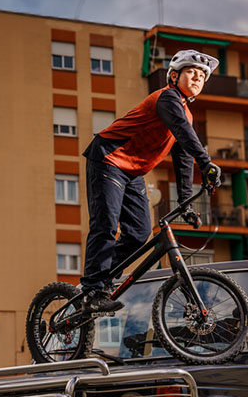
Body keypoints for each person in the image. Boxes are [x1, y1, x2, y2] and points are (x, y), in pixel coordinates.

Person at [79, 49, 222, 313]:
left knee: (139, 234)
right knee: (106, 225)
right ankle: (91, 290)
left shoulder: (186, 115)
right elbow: (185, 135)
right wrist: (207, 162)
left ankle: (103, 278)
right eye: (191, 72)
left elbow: (182, 160)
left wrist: (185, 202)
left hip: (132, 173)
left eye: (202, 75)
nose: (197, 78)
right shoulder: (167, 98)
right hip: (108, 159)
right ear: (174, 75)